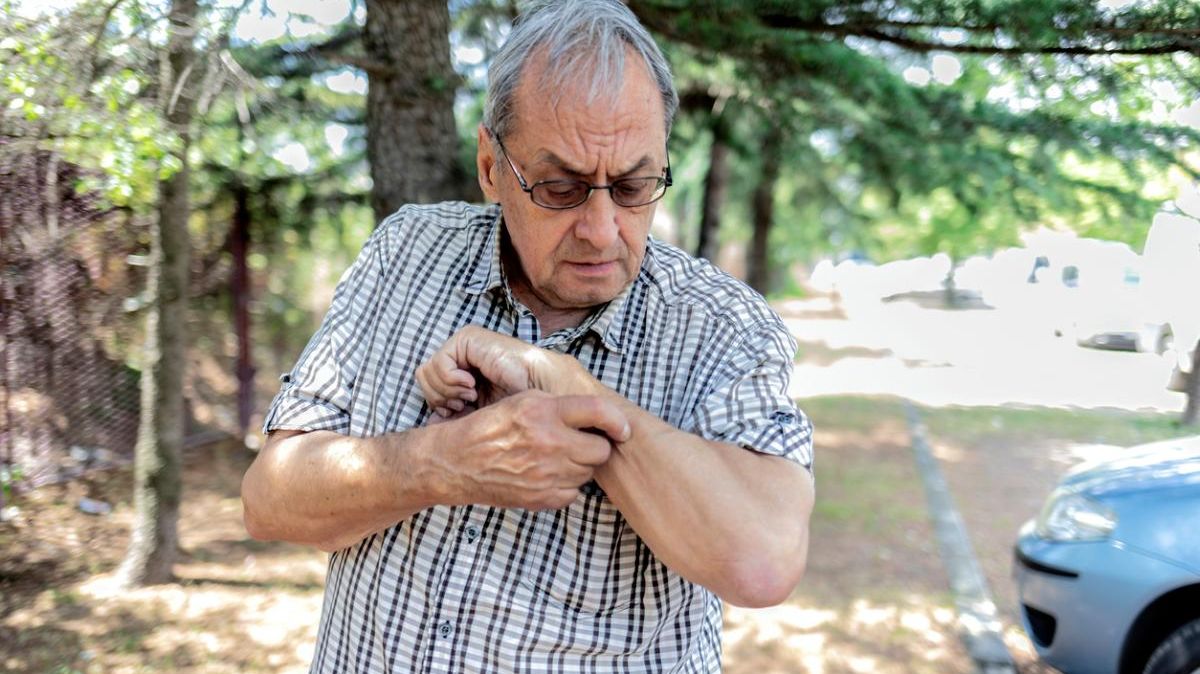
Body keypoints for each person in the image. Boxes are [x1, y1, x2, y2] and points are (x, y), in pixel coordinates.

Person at [241, 1, 814, 671]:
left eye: (633, 186)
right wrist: (440, 461)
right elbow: (269, 501)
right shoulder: (405, 254)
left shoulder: (723, 325)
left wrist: (568, 386)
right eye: (560, 188)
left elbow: (764, 563)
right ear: (491, 165)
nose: (603, 230)